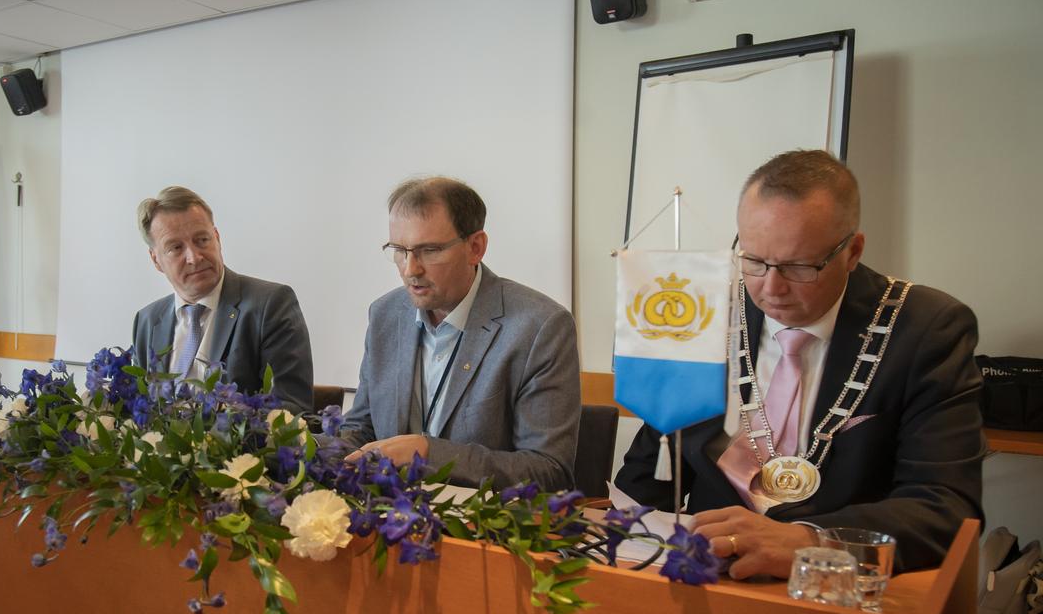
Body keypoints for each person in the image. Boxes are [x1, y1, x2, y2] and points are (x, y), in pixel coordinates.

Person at [615, 150, 984, 578]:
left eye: (799, 267)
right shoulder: (705, 313)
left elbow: (946, 509)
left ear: (852, 251)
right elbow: (648, 477)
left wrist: (812, 542)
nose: (771, 289)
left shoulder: (925, 329)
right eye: (753, 261)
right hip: (711, 574)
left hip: (838, 588)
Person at [339, 176, 581, 490]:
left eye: (429, 250)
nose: (410, 269)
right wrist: (303, 446)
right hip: (387, 512)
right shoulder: (385, 314)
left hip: (481, 519)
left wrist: (429, 453)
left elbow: (549, 471)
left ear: (475, 248)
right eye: (399, 250)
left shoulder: (540, 327)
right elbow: (361, 431)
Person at [132, 185, 314, 414]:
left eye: (202, 240)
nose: (194, 257)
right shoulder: (147, 320)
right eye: (176, 248)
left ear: (217, 238)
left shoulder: (270, 305)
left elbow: (291, 409)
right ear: (156, 260)